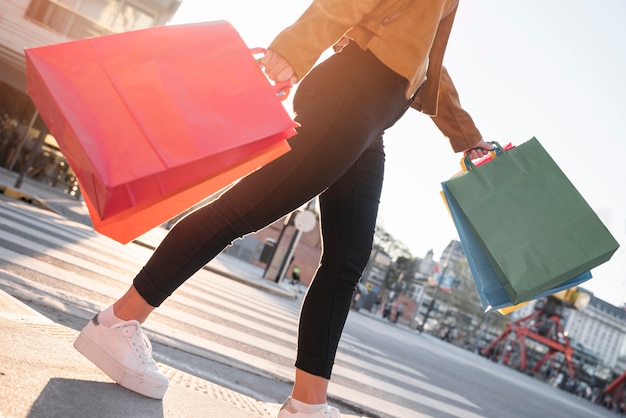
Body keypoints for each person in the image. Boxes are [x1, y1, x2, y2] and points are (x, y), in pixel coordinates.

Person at [73, 1, 493, 417]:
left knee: (348, 258)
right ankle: (116, 323)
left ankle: (307, 406)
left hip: (370, 118)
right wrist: (293, 49)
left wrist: (466, 135)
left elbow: (429, 60)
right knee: (241, 211)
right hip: (350, 94)